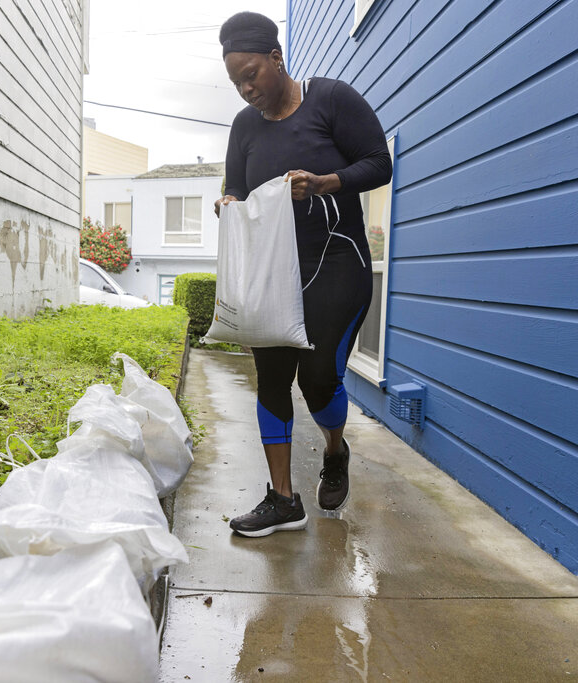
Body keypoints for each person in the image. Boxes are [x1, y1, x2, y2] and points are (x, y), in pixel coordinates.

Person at [216, 11, 392, 537]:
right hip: (273, 272)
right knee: (271, 380)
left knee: (317, 379)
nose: (246, 89)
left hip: (336, 263)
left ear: (277, 58)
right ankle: (282, 499)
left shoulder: (331, 99)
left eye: (252, 74)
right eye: (235, 82)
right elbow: (237, 190)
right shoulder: (245, 127)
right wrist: (227, 203)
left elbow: (379, 163)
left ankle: (335, 450)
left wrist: (324, 182)